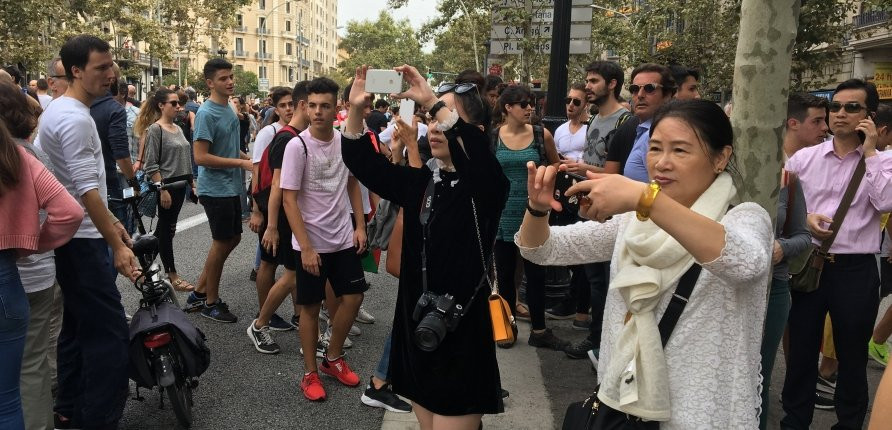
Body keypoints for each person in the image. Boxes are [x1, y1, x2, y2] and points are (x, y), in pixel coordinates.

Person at [518, 100, 772, 428]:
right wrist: (537, 209)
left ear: (721, 158)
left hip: (700, 413)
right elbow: (543, 250)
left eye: (680, 151)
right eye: (654, 148)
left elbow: (745, 263)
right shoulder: (635, 222)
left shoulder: (745, 218)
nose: (662, 163)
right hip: (623, 405)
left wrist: (645, 198)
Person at [343, 64, 509, 430]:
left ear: (474, 131)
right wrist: (356, 109)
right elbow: (362, 163)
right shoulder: (424, 183)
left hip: (460, 329)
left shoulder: (486, 186)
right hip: (418, 327)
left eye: (443, 118)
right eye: (430, 120)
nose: (433, 126)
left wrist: (432, 100)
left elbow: (478, 156)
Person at [38, 34, 140, 429]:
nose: (110, 74)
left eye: (111, 65)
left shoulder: (62, 110)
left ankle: (68, 406)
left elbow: (71, 184)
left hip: (76, 235)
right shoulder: (76, 118)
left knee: (78, 328)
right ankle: (97, 419)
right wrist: (116, 243)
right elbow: (85, 190)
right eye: (101, 67)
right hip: (82, 241)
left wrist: (112, 222)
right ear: (76, 71)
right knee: (111, 337)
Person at [781, 79, 892, 430]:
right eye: (836, 107)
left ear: (869, 116)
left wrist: (871, 151)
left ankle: (848, 423)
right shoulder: (805, 157)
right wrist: (807, 217)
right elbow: (784, 203)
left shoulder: (884, 161)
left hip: (856, 269)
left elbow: (886, 201)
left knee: (852, 354)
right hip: (809, 265)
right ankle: (794, 421)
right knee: (800, 353)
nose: (840, 113)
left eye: (852, 107)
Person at [280, 77, 368, 401]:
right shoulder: (297, 146)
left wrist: (360, 226)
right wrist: (305, 247)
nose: (318, 112)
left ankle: (332, 358)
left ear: (337, 108)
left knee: (354, 297)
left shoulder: (344, 142)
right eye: (312, 106)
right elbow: (289, 200)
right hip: (310, 243)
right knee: (310, 308)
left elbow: (353, 184)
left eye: (325, 106)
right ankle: (309, 373)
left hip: (343, 238)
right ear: (305, 107)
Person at [0, 81, 78, 430]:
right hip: (27, 275)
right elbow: (69, 212)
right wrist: (31, 242)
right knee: (29, 369)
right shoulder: (23, 157)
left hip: (23, 274)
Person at [756, 93, 818, 430]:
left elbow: (803, 237)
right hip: (724, 287)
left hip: (774, 288)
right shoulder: (721, 179)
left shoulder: (789, 181)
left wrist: (782, 246)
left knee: (759, 376)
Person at [492, 84, 565, 350]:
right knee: (506, 274)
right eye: (523, 104)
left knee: (535, 274)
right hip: (502, 216)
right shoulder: (494, 137)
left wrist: (546, 176)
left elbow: (557, 162)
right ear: (507, 107)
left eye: (531, 103)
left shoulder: (540, 134)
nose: (529, 108)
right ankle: (508, 327)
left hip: (533, 214)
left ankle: (539, 330)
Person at [184, 58, 253, 323]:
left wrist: (248, 158)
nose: (230, 81)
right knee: (222, 241)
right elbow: (201, 157)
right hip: (215, 188)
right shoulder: (206, 113)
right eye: (224, 78)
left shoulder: (229, 108)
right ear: (210, 83)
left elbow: (225, 148)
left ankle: (200, 291)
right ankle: (210, 302)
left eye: (231, 77)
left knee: (233, 238)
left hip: (231, 185)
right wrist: (241, 163)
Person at [246, 85, 297, 340]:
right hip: (267, 205)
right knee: (268, 262)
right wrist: (256, 211)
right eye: (284, 105)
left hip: (286, 207)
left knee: (290, 262)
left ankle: (297, 313)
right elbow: (257, 171)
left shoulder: (298, 131)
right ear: (275, 109)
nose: (288, 109)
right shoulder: (270, 132)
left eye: (292, 104)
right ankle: (265, 313)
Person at [141, 88, 197, 292]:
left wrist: (192, 183)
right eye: (173, 103)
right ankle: (172, 274)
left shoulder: (178, 128)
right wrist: (162, 188)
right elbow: (151, 165)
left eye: (178, 103)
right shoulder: (156, 129)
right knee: (166, 231)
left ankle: (145, 265)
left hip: (181, 186)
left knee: (164, 231)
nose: (178, 107)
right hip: (167, 188)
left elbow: (186, 157)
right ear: (161, 106)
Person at [91, 63, 137, 237]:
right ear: (113, 80)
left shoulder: (80, 105)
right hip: (108, 182)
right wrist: (133, 182)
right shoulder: (114, 109)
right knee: (121, 237)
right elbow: (121, 155)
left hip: (78, 185)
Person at [620, 63, 677, 182]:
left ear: (667, 95)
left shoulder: (658, 134)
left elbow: (667, 191)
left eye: (649, 88)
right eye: (634, 89)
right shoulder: (644, 131)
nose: (640, 95)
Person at [553, 83, 589, 163]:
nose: (571, 104)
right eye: (568, 100)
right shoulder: (560, 130)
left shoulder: (591, 129)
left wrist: (576, 162)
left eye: (576, 102)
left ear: (586, 105)